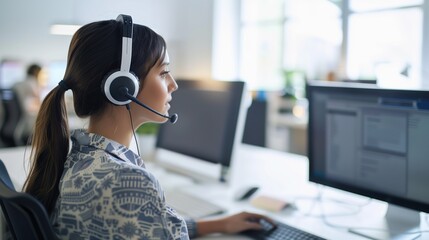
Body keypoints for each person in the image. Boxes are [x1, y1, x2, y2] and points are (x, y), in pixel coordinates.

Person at [23, 15, 272, 239]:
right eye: (164, 73)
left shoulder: (81, 158)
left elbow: (144, 225)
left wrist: (217, 224)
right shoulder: (127, 180)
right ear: (123, 87)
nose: (173, 84)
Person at [12, 63, 43, 144]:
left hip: (19, 117)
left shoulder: (18, 83)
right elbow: (38, 99)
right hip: (27, 120)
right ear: (37, 72)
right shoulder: (32, 81)